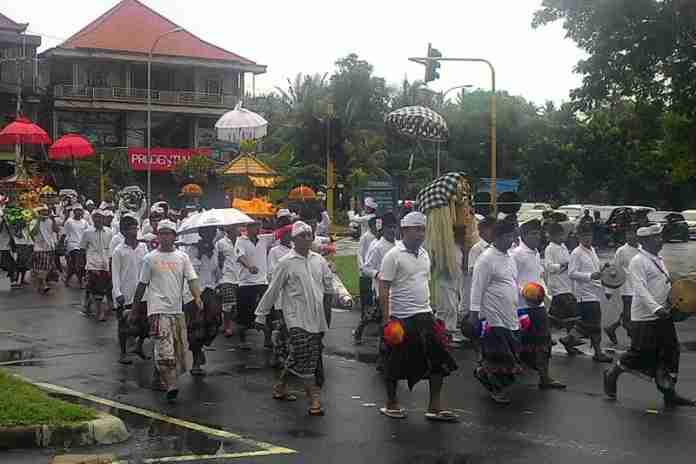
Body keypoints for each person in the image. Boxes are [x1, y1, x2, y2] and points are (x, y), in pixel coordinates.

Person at [604, 224, 695, 407]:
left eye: (660, 236)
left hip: (663, 315)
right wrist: (656, 309)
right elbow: (641, 289)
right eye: (656, 237)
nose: (660, 240)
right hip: (645, 318)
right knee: (640, 355)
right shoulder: (638, 261)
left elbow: (664, 285)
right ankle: (612, 372)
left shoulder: (658, 258)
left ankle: (669, 393)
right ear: (644, 241)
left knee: (671, 352)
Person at [379, 212, 458, 421]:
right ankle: (391, 403)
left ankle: (434, 406)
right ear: (404, 230)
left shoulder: (424, 254)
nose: (421, 234)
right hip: (400, 317)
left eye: (423, 229)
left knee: (439, 360)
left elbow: (424, 282)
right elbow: (383, 286)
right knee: (394, 363)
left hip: (424, 315)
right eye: (417, 229)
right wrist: (386, 319)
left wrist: (431, 308)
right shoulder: (393, 255)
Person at [254, 221, 334, 416]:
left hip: (315, 317)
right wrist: (261, 314)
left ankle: (281, 385)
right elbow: (273, 290)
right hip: (295, 318)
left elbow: (331, 283)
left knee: (301, 355)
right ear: (293, 239)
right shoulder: (286, 263)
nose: (307, 239)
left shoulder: (319, 261)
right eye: (303, 236)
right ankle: (314, 399)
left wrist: (343, 297)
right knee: (304, 354)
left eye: (309, 235)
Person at [133, 219, 203, 403]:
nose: (164, 237)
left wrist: (197, 297)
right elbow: (142, 284)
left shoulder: (182, 257)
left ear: (174, 236)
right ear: (158, 236)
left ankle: (159, 376)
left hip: (177, 310)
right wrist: (134, 308)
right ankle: (171, 385)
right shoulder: (150, 258)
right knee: (165, 348)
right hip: (157, 309)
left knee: (177, 348)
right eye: (161, 233)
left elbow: (192, 279)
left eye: (168, 233)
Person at [470, 220, 522, 404]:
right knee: (501, 356)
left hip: (510, 314)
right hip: (493, 316)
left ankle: (484, 372)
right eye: (508, 237)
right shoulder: (485, 259)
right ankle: (495, 388)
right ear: (497, 237)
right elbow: (477, 288)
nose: (512, 241)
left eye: (513, 237)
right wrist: (474, 315)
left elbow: (512, 283)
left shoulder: (509, 257)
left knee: (513, 354)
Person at [510, 219, 565, 389]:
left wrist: (545, 294)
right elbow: (511, 279)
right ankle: (512, 376)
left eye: (538, 233)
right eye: (532, 234)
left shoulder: (535, 254)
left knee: (544, 343)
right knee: (520, 343)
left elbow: (539, 277)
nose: (536, 237)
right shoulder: (516, 254)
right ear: (523, 235)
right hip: (522, 307)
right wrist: (525, 292)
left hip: (538, 306)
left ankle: (544, 377)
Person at [568, 222, 613, 362]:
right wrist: (589, 276)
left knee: (589, 324)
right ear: (579, 237)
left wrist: (602, 267)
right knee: (593, 325)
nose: (587, 238)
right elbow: (571, 273)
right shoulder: (576, 253)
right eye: (584, 235)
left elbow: (595, 268)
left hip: (595, 291)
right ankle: (597, 352)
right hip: (584, 294)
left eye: (589, 235)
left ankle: (569, 339)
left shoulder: (592, 250)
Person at [354, 213, 397, 346]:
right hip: (381, 288)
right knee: (380, 316)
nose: (392, 230)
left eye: (394, 227)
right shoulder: (378, 247)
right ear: (383, 229)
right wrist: (378, 274)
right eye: (389, 227)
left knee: (390, 317)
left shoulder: (399, 245)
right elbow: (366, 268)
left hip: (396, 289)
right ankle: (381, 343)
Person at [184, 226, 221, 376]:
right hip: (194, 292)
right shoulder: (192, 250)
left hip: (210, 291)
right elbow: (190, 272)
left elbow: (216, 272)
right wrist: (200, 254)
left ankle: (201, 348)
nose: (209, 236)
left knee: (214, 324)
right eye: (206, 233)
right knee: (195, 328)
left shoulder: (215, 250)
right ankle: (196, 359)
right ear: (201, 234)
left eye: (212, 233)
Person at [112, 215, 149, 365]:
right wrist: (117, 293)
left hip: (142, 294)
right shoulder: (118, 251)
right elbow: (115, 273)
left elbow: (147, 269)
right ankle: (123, 353)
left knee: (145, 324)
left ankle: (139, 346)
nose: (134, 231)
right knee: (125, 326)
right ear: (123, 231)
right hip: (125, 294)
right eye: (131, 229)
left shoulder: (143, 247)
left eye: (136, 228)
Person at [235, 220, 274, 348]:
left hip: (262, 281)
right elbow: (240, 256)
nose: (257, 228)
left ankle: (268, 339)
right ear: (247, 227)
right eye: (254, 226)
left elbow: (282, 232)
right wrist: (249, 266)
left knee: (265, 312)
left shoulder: (264, 239)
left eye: (259, 225)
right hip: (246, 283)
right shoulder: (241, 240)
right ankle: (242, 340)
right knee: (244, 314)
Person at [544, 222, 583, 355]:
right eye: (560, 235)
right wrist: (562, 265)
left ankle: (566, 341)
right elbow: (549, 267)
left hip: (567, 285)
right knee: (572, 315)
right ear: (553, 236)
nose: (563, 237)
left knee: (558, 318)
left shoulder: (563, 247)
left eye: (563, 235)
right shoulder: (550, 248)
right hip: (558, 287)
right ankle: (566, 339)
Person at [261, 224, 293, 367]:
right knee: (280, 325)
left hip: (293, 295)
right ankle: (277, 353)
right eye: (287, 234)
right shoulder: (274, 251)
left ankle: (288, 354)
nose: (289, 237)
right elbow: (270, 272)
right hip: (280, 295)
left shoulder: (294, 250)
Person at [604, 224, 640, 344]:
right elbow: (613, 270)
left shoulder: (642, 249)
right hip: (626, 288)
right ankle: (635, 340)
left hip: (640, 288)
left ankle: (611, 328)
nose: (630, 236)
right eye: (628, 234)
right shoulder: (621, 251)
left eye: (633, 233)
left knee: (631, 313)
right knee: (629, 315)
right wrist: (609, 290)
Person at [81, 210, 114, 321]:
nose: (98, 220)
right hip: (92, 264)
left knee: (102, 287)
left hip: (105, 264)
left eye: (100, 217)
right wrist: (83, 263)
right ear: (93, 218)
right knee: (97, 289)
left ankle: (88, 303)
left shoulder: (109, 232)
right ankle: (99, 312)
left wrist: (110, 262)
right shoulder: (87, 232)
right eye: (96, 217)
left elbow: (111, 248)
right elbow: (83, 247)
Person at [216, 224, 240, 337]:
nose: (237, 230)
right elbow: (219, 260)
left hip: (241, 277)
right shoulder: (221, 243)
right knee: (228, 303)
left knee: (238, 305)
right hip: (227, 277)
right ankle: (227, 326)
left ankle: (235, 324)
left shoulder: (242, 241)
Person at [356, 217, 379, 339]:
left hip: (373, 273)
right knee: (366, 298)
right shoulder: (365, 237)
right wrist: (362, 268)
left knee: (373, 297)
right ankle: (363, 323)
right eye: (376, 225)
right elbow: (359, 253)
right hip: (365, 272)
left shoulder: (377, 238)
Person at [30, 205, 59, 294]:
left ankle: (41, 285)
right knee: (43, 268)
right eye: (43, 211)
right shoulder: (34, 221)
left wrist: (53, 220)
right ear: (39, 212)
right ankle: (44, 284)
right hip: (39, 248)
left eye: (46, 211)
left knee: (45, 268)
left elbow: (56, 230)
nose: (45, 213)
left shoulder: (50, 221)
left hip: (49, 247)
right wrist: (38, 221)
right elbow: (33, 233)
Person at [62, 204, 89, 288]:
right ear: (73, 212)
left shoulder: (84, 222)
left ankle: (67, 279)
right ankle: (80, 282)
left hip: (82, 245)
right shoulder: (69, 221)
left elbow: (87, 233)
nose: (78, 212)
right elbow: (65, 234)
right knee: (78, 263)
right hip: (72, 245)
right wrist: (65, 247)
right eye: (76, 210)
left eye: (80, 210)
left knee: (74, 265)